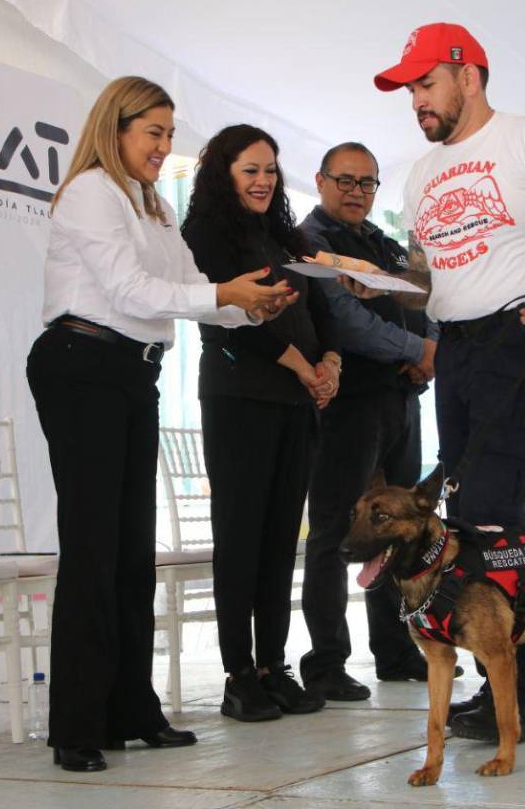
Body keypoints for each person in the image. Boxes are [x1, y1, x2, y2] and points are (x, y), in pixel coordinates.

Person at [27, 79, 294, 772]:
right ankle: (76, 726)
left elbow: (193, 284)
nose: (164, 146)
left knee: (130, 548)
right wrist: (224, 294)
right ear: (115, 129)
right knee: (92, 548)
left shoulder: (153, 204)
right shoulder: (91, 191)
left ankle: (130, 708)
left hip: (131, 371)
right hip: (80, 362)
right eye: (153, 131)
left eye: (171, 134)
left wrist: (250, 308)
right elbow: (128, 291)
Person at [368, 23, 525, 744]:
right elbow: (422, 281)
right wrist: (365, 284)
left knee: (493, 502)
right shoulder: (419, 175)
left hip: (520, 334)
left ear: (467, 75)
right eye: (408, 88)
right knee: (468, 514)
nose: (416, 99)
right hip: (456, 348)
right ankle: (508, 682)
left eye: (424, 82)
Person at [182, 124, 339, 722]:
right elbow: (223, 318)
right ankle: (238, 674)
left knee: (280, 541)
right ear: (224, 172)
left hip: (296, 404)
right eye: (250, 169)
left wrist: (331, 362)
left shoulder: (286, 234)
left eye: (270, 170)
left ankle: (273, 665)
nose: (263, 181)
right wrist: (303, 366)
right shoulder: (205, 232)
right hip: (239, 399)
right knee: (242, 539)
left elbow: (321, 305)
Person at [296, 141, 450, 700]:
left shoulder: (382, 244)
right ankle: (327, 662)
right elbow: (346, 319)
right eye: (345, 180)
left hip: (400, 398)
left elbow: (427, 301)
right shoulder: (309, 244)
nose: (356, 192)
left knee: (397, 529)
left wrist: (427, 351)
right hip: (347, 403)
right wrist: (416, 349)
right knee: (336, 531)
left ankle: (395, 649)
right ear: (319, 180)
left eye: (367, 183)